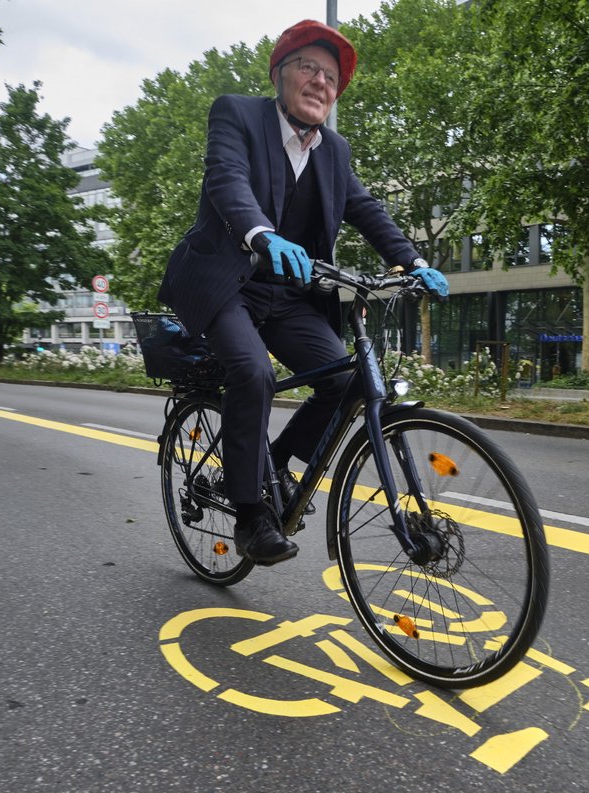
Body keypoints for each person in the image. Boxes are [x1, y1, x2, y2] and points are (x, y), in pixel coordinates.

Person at [158, 20, 449, 567]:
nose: (321, 82)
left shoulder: (333, 151)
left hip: (289, 293)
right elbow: (227, 180)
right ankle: (250, 517)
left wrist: (413, 260)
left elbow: (366, 209)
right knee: (252, 372)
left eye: (331, 77)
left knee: (343, 382)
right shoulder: (237, 114)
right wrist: (261, 233)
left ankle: (273, 461)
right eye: (308, 68)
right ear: (279, 75)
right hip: (229, 283)